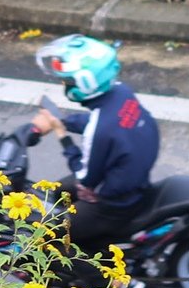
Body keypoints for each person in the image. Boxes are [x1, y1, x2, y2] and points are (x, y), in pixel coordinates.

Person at [28, 34, 161, 271]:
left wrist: (62, 135)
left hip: (114, 204)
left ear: (85, 83)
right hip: (132, 178)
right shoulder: (121, 92)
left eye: (68, 81)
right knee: (47, 192)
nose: (63, 85)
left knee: (48, 234)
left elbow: (85, 177)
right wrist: (64, 120)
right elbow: (94, 121)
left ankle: (109, 278)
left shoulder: (100, 131)